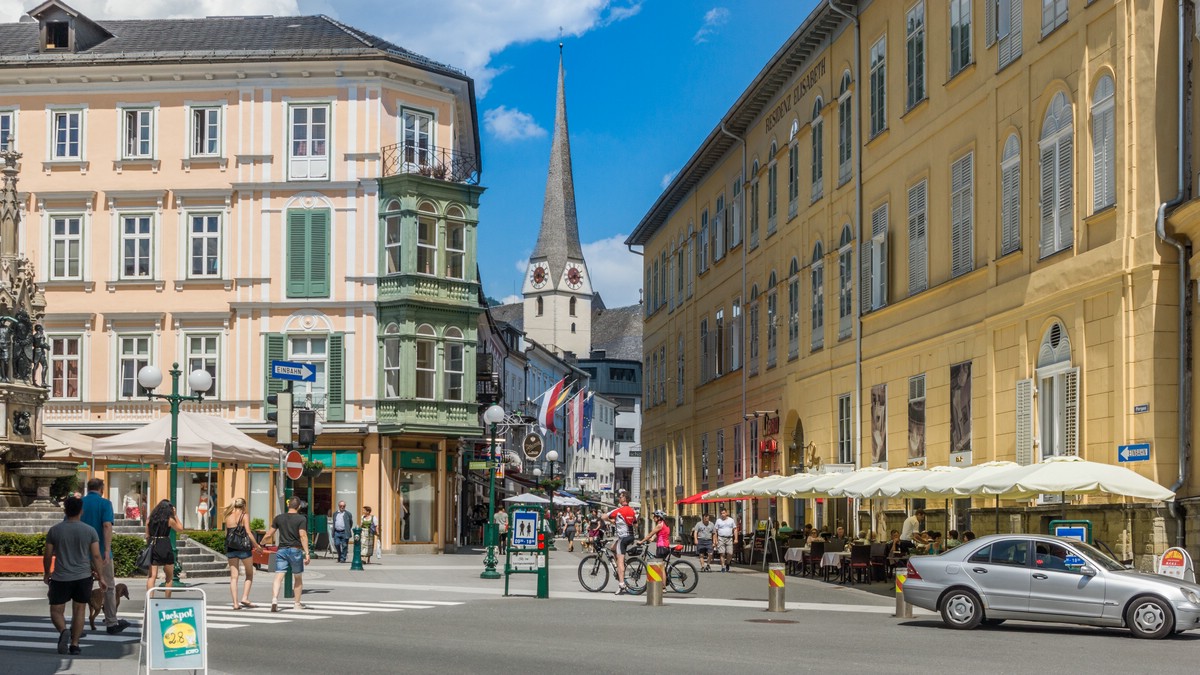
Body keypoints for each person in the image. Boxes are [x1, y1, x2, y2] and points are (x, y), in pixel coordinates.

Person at [43, 496, 107, 656]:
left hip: (60, 577)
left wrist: (46, 573)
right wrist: (101, 577)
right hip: (83, 577)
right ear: (81, 511)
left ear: (65, 510)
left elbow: (48, 555)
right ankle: (75, 644)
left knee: (56, 611)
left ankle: (63, 630)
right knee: (79, 610)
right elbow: (96, 556)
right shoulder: (89, 531)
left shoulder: (55, 530)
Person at [80, 477, 130, 635]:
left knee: (80, 587)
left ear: (88, 489)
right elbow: (107, 525)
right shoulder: (105, 503)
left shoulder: (79, 503)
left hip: (81, 553)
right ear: (102, 489)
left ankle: (78, 625)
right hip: (101, 552)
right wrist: (107, 550)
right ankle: (111, 623)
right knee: (108, 587)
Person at [260, 496, 310, 612]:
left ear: (288, 505)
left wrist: (261, 543)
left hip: (281, 550)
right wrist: (307, 552)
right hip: (295, 550)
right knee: (297, 577)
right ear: (298, 507)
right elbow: (303, 535)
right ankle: (297, 604)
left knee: (278, 576)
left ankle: (274, 600)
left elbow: (269, 534)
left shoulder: (279, 518)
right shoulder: (301, 519)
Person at [223, 498, 262, 611]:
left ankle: (235, 603)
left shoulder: (228, 515)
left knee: (234, 577)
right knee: (249, 574)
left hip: (231, 547)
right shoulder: (244, 515)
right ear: (244, 506)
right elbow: (248, 533)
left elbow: (227, 532)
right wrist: (257, 546)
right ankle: (245, 598)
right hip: (243, 548)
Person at [599, 491, 637, 595]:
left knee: (620, 561)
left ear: (624, 499)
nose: (619, 499)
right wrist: (618, 522)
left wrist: (611, 520)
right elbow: (635, 524)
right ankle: (621, 567)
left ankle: (621, 584)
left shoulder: (619, 510)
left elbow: (603, 517)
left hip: (623, 538)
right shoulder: (632, 511)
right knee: (612, 548)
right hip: (630, 536)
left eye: (620, 497)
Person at [145, 500, 184, 594]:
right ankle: (167, 600)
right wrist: (175, 515)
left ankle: (150, 600)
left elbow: (147, 535)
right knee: (169, 577)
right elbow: (180, 529)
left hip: (153, 544)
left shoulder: (150, 519)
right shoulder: (169, 520)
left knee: (152, 576)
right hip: (165, 545)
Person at [714, 508, 739, 572]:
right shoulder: (718, 521)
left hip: (729, 538)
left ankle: (727, 563)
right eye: (721, 513)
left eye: (724, 513)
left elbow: (735, 529)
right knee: (722, 553)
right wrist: (715, 540)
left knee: (730, 553)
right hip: (721, 538)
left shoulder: (731, 520)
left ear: (726, 513)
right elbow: (715, 531)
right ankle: (722, 566)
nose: (723, 514)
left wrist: (736, 538)